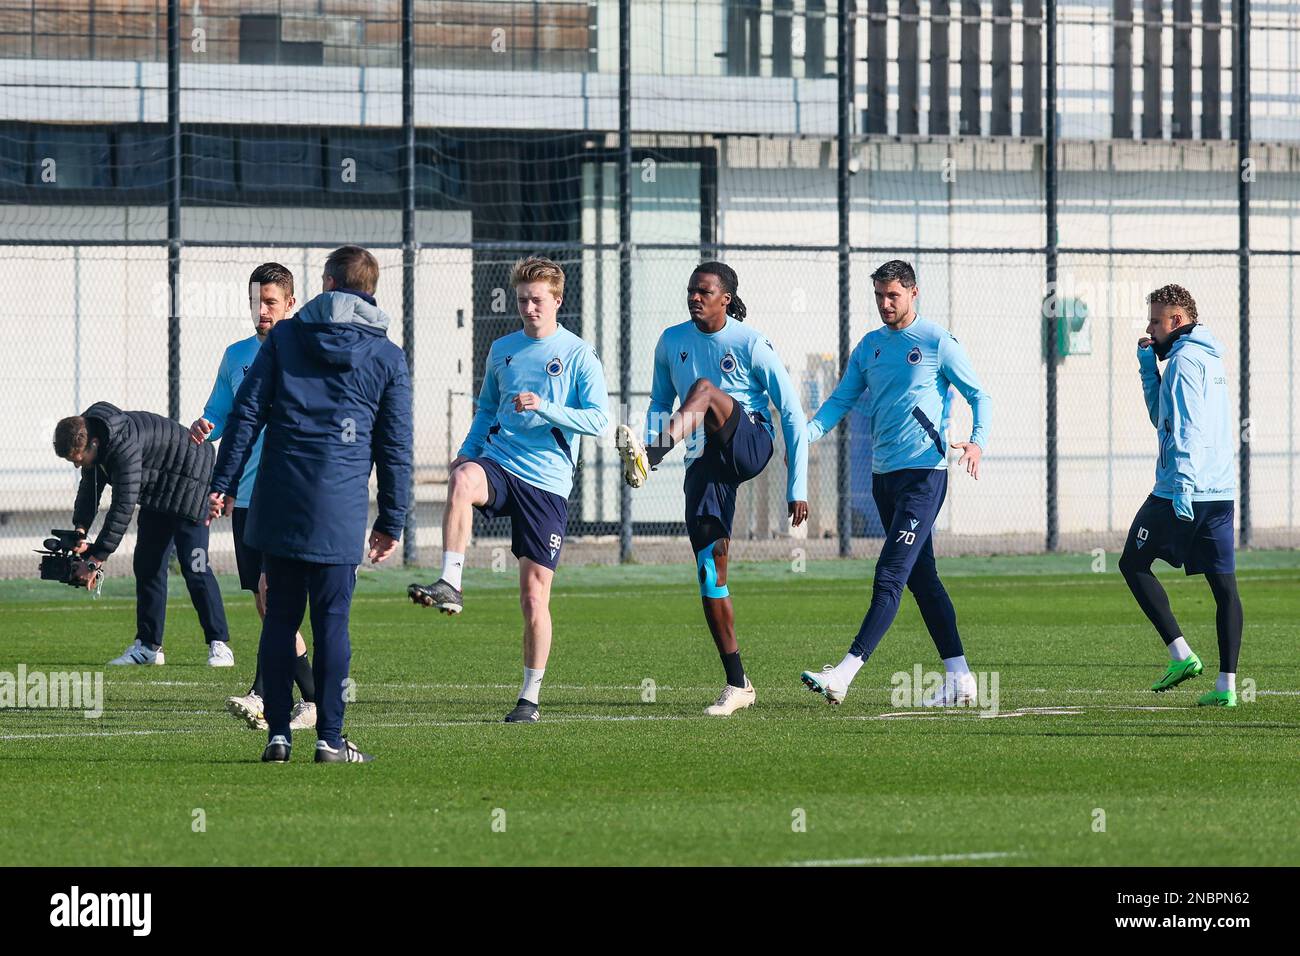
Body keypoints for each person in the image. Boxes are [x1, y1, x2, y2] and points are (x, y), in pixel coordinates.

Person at [210, 245, 412, 763]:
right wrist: (392, 518)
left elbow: (246, 415)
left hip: (278, 498)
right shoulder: (387, 355)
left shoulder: (284, 339)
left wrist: (223, 481)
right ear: (371, 291)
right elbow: (395, 446)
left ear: (324, 284)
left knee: (279, 617)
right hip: (338, 508)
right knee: (331, 624)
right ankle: (330, 738)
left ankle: (278, 734)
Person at [408, 256, 610, 724]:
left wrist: (548, 407)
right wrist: (466, 451)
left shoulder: (580, 354)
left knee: (533, 598)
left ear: (558, 300)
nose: (528, 307)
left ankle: (529, 698)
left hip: (547, 484)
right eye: (522, 300)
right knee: (461, 481)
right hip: (500, 463)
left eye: (537, 299)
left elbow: (598, 419)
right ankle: (451, 584)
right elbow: (485, 410)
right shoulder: (502, 349)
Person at [615, 261, 809, 717]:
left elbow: (793, 412)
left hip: (748, 442)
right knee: (710, 572)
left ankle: (651, 456)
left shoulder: (750, 343)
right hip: (703, 460)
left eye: (704, 291)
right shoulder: (671, 340)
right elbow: (662, 401)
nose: (695, 297)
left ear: (726, 298)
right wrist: (656, 431)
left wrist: (796, 484)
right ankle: (738, 682)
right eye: (690, 291)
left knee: (705, 389)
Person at [797, 259, 990, 707]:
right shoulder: (869, 348)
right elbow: (840, 400)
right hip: (884, 478)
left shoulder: (938, 342)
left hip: (925, 476)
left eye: (893, 296)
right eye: (880, 296)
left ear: (913, 293)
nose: (885, 304)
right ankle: (960, 679)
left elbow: (981, 395)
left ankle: (842, 676)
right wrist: (803, 435)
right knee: (924, 579)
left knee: (890, 574)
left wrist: (977, 442)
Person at [191, 262, 316, 732]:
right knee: (266, 603)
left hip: (285, 493)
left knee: (273, 593)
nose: (260, 311)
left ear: (290, 304)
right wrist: (207, 426)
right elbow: (219, 412)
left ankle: (263, 693)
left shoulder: (305, 354)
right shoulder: (236, 355)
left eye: (269, 302)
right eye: (255, 302)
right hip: (243, 497)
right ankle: (314, 697)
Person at [1120, 284, 1241, 707]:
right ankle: (1227, 689)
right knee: (1224, 587)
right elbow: (1163, 419)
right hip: (1220, 491)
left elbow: (1186, 428)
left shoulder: (1187, 361)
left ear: (1176, 321)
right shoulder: (1207, 355)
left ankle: (1182, 655)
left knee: (1132, 562)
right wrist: (1147, 367)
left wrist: (1183, 485)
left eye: (1155, 320)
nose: (1150, 329)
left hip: (1180, 488)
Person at [53, 404, 233, 667]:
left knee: (195, 567)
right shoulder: (95, 439)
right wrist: (80, 530)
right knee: (147, 565)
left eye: (77, 459)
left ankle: (220, 645)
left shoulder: (123, 447)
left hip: (192, 481)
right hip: (159, 490)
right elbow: (89, 489)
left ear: (92, 442)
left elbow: (122, 507)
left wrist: (95, 560)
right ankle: (149, 647)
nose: (77, 464)